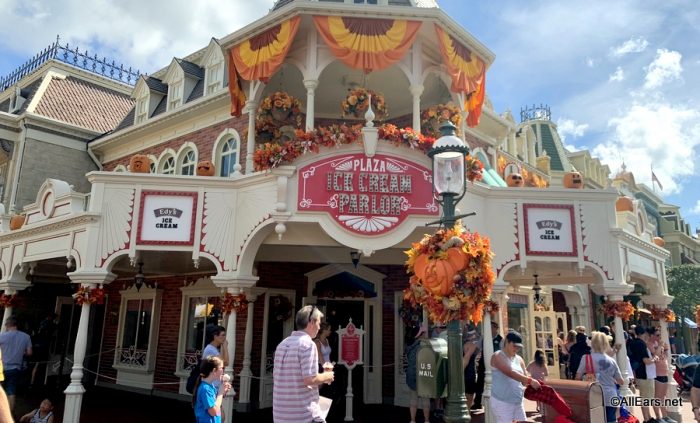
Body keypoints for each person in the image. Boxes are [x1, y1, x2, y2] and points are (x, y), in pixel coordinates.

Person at [273, 305, 334, 423]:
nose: (319, 327)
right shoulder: (307, 344)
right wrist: (327, 376)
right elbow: (309, 379)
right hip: (303, 415)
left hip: (280, 414)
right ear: (311, 322)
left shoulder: (282, 344)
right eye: (319, 323)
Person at [490, 331, 541, 423]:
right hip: (502, 401)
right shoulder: (497, 356)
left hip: (517, 400)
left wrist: (536, 383)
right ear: (507, 342)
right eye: (514, 346)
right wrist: (530, 381)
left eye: (519, 347)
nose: (517, 349)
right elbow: (510, 372)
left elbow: (524, 379)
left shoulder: (519, 359)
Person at [575, 331, 624, 423]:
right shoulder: (611, 361)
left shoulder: (586, 358)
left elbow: (577, 377)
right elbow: (621, 381)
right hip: (610, 395)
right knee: (611, 420)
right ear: (606, 344)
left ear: (592, 344)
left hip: (593, 396)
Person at [0, 316, 32, 410]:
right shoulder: (26, 337)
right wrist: (21, 352)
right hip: (16, 368)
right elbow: (29, 353)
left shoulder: (2, 336)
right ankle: (9, 414)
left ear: (7, 325)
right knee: (11, 391)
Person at [628, 325, 658, 423]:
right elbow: (646, 360)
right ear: (643, 333)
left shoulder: (632, 342)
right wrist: (655, 359)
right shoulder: (641, 344)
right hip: (645, 374)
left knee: (645, 397)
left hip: (640, 373)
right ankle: (646, 418)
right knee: (646, 398)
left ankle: (648, 416)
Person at [471, 320, 502, 412]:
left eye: (492, 327)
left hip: (496, 364)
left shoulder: (500, 340)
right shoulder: (484, 338)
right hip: (483, 363)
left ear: (496, 329)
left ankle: (497, 401)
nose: (490, 329)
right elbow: (477, 348)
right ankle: (477, 403)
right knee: (480, 382)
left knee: (496, 382)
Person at [192, 356, 232, 423]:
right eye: (222, 368)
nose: (223, 371)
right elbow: (213, 412)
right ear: (214, 370)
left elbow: (215, 402)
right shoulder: (205, 389)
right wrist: (220, 393)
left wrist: (223, 392)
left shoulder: (211, 386)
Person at [648, 328, 675, 423]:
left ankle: (665, 416)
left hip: (664, 371)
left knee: (663, 396)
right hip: (657, 373)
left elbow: (666, 356)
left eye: (660, 335)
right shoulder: (650, 344)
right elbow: (655, 355)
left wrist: (666, 348)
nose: (659, 337)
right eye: (657, 335)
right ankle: (658, 417)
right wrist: (659, 346)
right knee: (657, 397)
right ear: (651, 335)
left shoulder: (660, 344)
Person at [406, 325, 430, 423]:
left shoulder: (409, 345)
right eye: (424, 333)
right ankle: (427, 421)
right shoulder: (425, 345)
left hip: (411, 374)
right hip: (423, 373)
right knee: (425, 399)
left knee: (413, 399)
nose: (425, 334)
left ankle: (412, 420)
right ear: (420, 334)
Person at [30, 312, 57, 388]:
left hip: (36, 345)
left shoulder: (40, 324)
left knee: (35, 364)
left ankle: (32, 381)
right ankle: (34, 382)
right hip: (42, 346)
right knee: (38, 365)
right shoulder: (48, 324)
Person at [462, 329, 479, 409]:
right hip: (469, 371)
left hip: (468, 370)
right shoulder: (472, 345)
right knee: (469, 394)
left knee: (467, 393)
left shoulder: (463, 344)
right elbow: (466, 358)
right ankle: (467, 412)